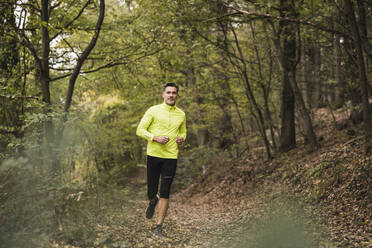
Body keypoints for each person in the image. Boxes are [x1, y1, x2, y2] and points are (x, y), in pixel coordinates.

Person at [136, 82, 187, 237]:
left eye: (174, 93)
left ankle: (159, 227)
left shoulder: (181, 114)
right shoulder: (153, 110)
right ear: (163, 94)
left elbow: (183, 132)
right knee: (151, 191)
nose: (171, 95)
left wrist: (181, 138)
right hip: (153, 155)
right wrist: (155, 138)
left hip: (171, 157)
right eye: (168, 92)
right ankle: (152, 201)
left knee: (165, 191)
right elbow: (140, 130)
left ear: (177, 95)